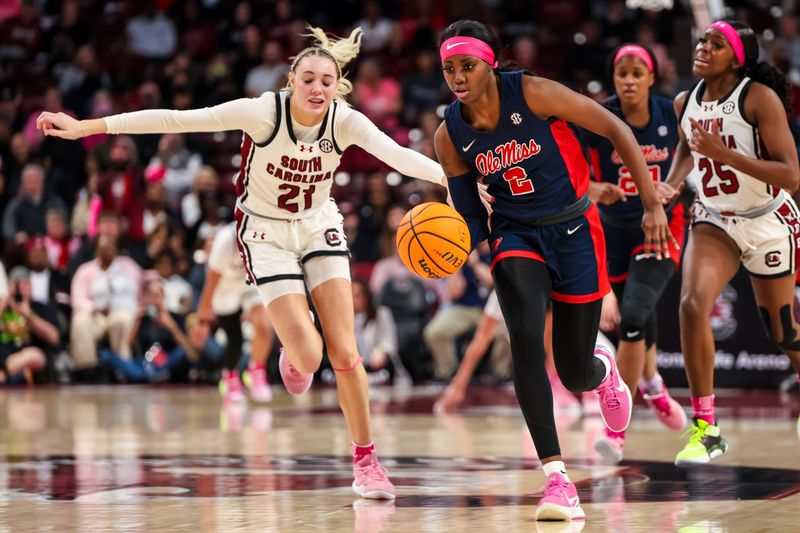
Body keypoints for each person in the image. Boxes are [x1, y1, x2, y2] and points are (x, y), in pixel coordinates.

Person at [38, 26, 451, 500]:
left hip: (318, 223)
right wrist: (89, 127)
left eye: (327, 81)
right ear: (291, 79)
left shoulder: (344, 120)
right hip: (264, 232)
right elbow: (176, 119)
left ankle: (366, 461)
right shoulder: (262, 113)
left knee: (346, 352)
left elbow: (399, 157)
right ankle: (293, 355)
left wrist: (455, 186)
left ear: (338, 86)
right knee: (311, 359)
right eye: (309, 79)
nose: (318, 89)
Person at [434, 20, 675, 522]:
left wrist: (652, 203)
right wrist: (450, 246)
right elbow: (471, 219)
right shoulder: (448, 134)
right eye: (449, 68)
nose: (458, 76)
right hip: (515, 234)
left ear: (490, 64)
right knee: (523, 335)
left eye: (467, 65)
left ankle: (602, 373)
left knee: (573, 370)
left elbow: (616, 128)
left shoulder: (534, 92)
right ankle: (557, 478)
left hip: (573, 228)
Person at [658, 21, 800, 465]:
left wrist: (729, 157)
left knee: (783, 333)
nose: (703, 47)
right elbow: (687, 147)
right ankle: (707, 430)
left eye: (715, 44)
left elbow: (791, 175)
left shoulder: (758, 99)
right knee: (692, 305)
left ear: (737, 58)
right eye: (702, 40)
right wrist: (672, 183)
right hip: (715, 217)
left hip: (767, 219)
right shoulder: (686, 100)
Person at [581, 44, 688, 464]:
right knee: (635, 313)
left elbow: (694, 152)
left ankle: (617, 428)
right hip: (613, 229)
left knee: (634, 317)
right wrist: (590, 188)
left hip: (661, 227)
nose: (628, 80)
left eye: (636, 72)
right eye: (621, 72)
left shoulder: (669, 114)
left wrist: (675, 186)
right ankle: (655, 388)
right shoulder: (599, 116)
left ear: (650, 77)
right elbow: (563, 161)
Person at [196, 222, 274, 403]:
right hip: (224, 287)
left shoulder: (269, 233)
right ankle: (229, 376)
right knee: (235, 342)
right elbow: (210, 283)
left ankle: (255, 370)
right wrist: (203, 320)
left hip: (249, 284)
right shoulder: (225, 240)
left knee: (264, 327)